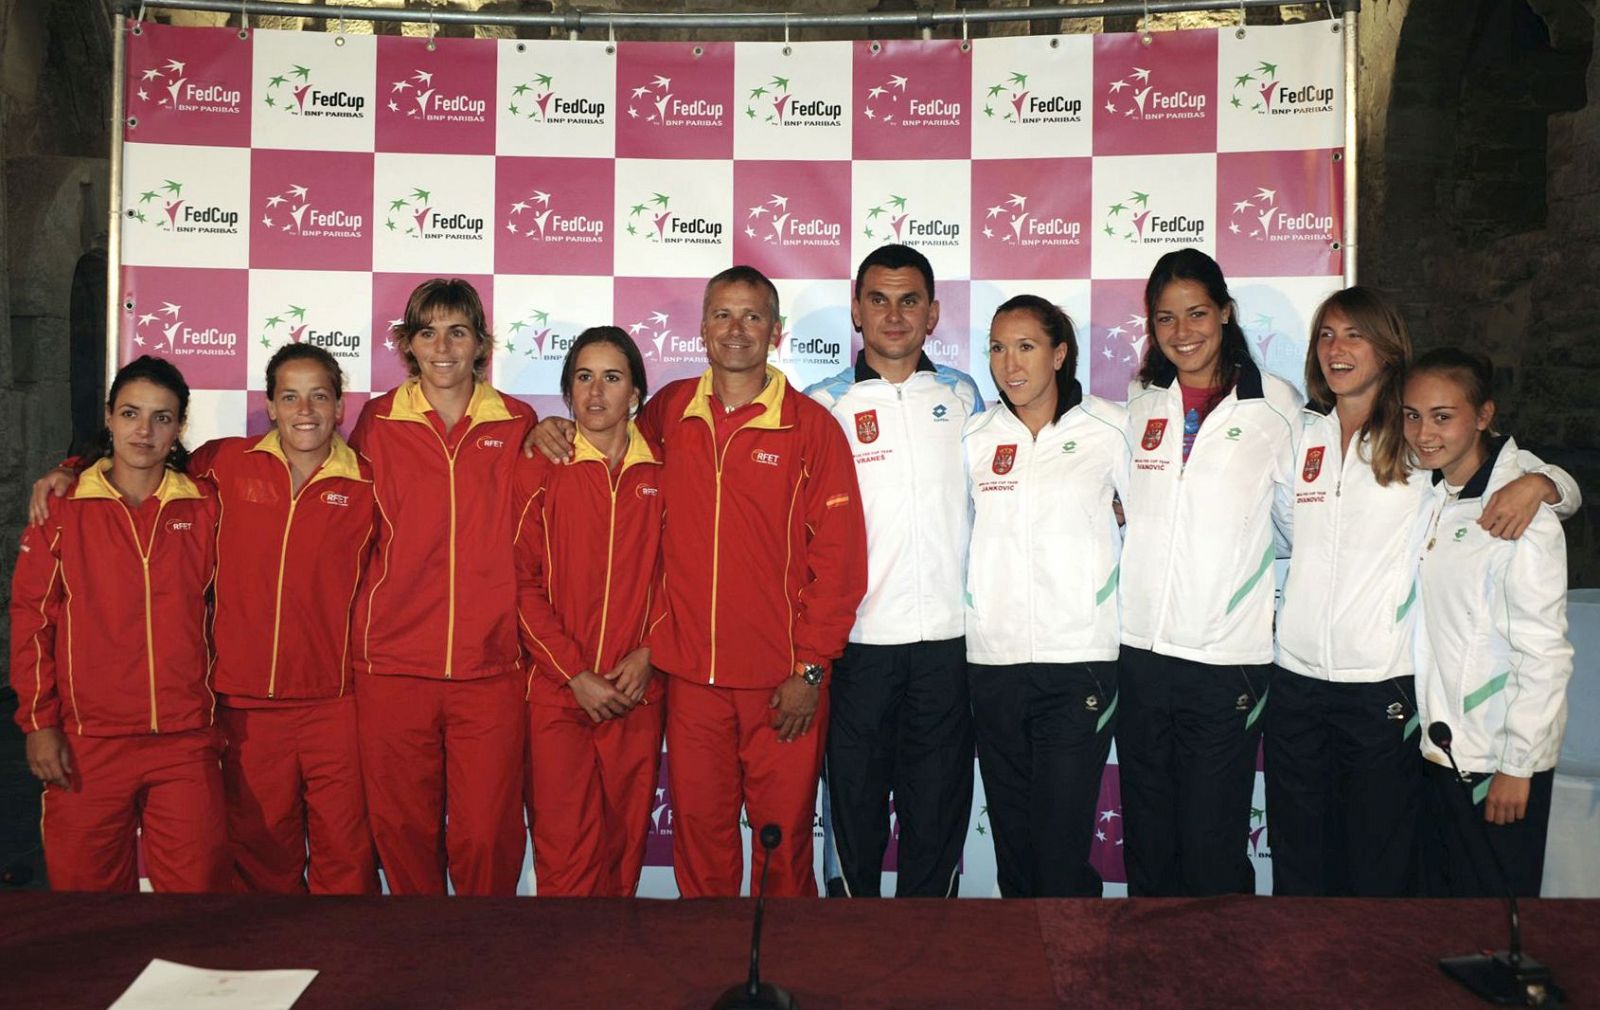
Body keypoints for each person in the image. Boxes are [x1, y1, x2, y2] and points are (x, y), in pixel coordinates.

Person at [531, 266, 867, 897]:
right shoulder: (665, 412)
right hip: (688, 683)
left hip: (781, 684)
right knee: (700, 844)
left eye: (751, 316)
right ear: (702, 327)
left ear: (775, 331)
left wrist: (812, 670)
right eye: (722, 315)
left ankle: (783, 983)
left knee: (784, 845)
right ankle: (711, 978)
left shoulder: (812, 428)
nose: (736, 329)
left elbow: (841, 562)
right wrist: (546, 428)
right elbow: (600, 435)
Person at [26, 346, 390, 895]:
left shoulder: (370, 482)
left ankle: (342, 972)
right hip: (243, 707)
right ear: (270, 405)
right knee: (263, 857)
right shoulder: (221, 468)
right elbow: (137, 462)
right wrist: (69, 468)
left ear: (341, 408)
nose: (305, 409)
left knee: (347, 854)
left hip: (335, 703)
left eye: (319, 395)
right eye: (290, 395)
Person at [1269, 289, 1579, 897]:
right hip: (1295, 683)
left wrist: (1547, 483)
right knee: (1301, 863)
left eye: (1355, 334)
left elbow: (1508, 474)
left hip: (1381, 686)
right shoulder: (1303, 436)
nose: (1338, 348)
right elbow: (1286, 534)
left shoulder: (1415, 441)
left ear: (1387, 349)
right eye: (1327, 334)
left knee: (1378, 871)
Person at [1115, 249, 1301, 897]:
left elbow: (1300, 525)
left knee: (1211, 846)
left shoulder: (1275, 407)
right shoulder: (1140, 404)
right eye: (1166, 317)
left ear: (1226, 312)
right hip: (1140, 655)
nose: (1183, 330)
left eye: (1197, 312)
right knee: (1149, 843)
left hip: (1227, 663)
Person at [10, 355, 229, 892]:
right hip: (88, 743)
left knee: (194, 905)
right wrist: (39, 722)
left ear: (179, 427)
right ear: (108, 418)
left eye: (162, 417)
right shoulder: (62, 507)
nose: (144, 430)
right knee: (88, 915)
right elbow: (32, 619)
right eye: (131, 413)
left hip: (185, 742)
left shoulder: (205, 505)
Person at [804, 244, 981, 899]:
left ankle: (930, 970)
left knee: (935, 823)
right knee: (853, 820)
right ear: (856, 309)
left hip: (946, 645)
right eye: (878, 299)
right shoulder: (823, 404)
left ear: (933, 312)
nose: (894, 315)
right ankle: (850, 960)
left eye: (910, 301)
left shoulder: (964, 396)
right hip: (857, 649)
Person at [350, 278, 535, 896]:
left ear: (482, 343)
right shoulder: (377, 421)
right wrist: (83, 463)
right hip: (394, 663)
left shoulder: (517, 421)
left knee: (487, 834)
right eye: (428, 332)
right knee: (402, 831)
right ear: (408, 345)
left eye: (458, 331)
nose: (443, 346)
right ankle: (418, 962)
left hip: (491, 665)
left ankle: (487, 960)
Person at [961, 296, 1128, 897]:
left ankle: (1075, 974)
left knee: (1059, 849)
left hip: (1078, 662)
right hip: (994, 663)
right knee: (1015, 847)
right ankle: (1025, 973)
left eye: (1026, 346)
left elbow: (1158, 518)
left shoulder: (1112, 428)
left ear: (1059, 354)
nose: (1010, 364)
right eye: (999, 348)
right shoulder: (976, 435)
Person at [1405, 349, 1574, 898]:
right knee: (1443, 932)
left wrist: (1518, 766)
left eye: (1442, 415)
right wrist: (1548, 478)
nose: (1423, 432)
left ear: (1483, 415)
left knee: (1496, 933)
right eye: (1412, 415)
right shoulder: (1431, 493)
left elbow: (1545, 654)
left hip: (1496, 761)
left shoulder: (1522, 516)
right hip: (1440, 751)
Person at [513, 327, 665, 897]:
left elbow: (681, 578)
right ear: (567, 391)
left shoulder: (663, 472)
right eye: (583, 377)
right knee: (566, 856)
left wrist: (651, 651)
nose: (596, 393)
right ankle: (564, 981)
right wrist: (573, 674)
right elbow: (516, 583)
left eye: (612, 377)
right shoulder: (538, 466)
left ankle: (613, 979)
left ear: (636, 394)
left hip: (635, 691)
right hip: (557, 694)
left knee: (624, 851)